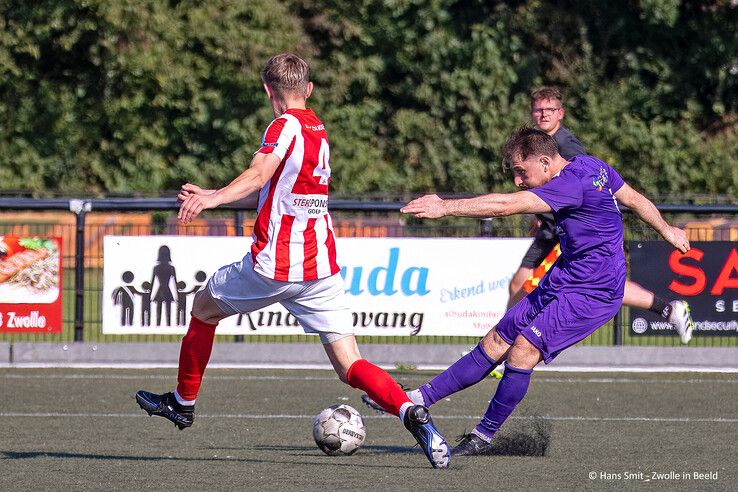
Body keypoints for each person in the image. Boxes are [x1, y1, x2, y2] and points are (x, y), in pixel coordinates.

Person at [135, 53, 450, 469]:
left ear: (269, 91)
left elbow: (259, 173)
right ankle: (412, 413)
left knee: (203, 310)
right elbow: (274, 185)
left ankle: (183, 402)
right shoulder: (318, 128)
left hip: (274, 265)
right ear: (309, 89)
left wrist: (211, 197)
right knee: (350, 364)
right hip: (320, 268)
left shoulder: (283, 126)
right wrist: (223, 191)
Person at [397, 127, 691, 456]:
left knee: (523, 349)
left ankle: (483, 436)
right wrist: (667, 229)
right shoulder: (592, 166)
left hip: (595, 290)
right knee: (497, 339)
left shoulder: (570, 182)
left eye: (522, 172)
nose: (519, 181)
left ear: (544, 161)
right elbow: (635, 199)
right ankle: (415, 400)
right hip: (566, 275)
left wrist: (446, 206)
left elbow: (507, 205)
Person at [509, 86, 693, 344]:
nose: (543, 115)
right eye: (538, 109)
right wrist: (541, 215)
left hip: (574, 228)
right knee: (519, 282)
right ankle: (505, 342)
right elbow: (548, 187)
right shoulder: (538, 144)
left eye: (549, 109)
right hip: (551, 228)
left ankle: (667, 308)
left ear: (560, 113)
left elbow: (582, 186)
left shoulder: (568, 147)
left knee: (600, 287)